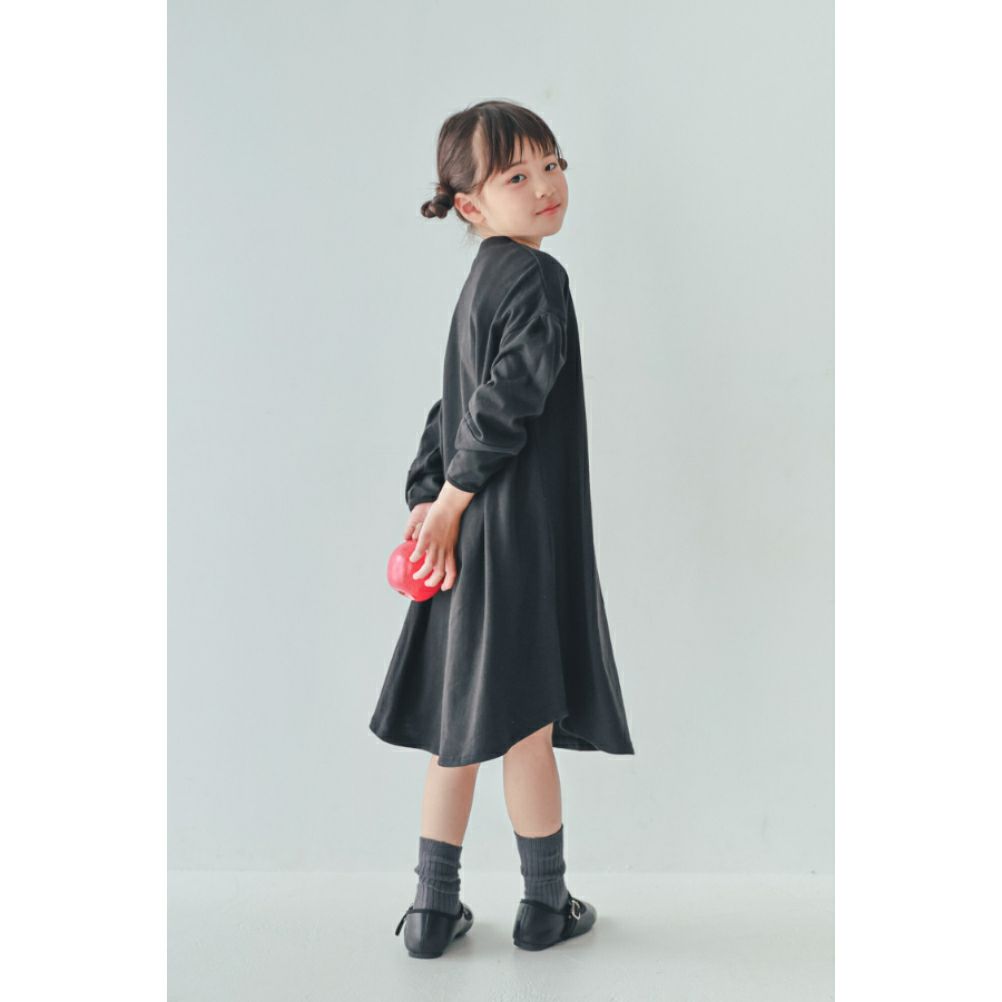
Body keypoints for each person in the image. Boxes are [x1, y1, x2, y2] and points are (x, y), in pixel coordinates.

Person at [369, 99, 636, 959]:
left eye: (553, 165)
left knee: (457, 731)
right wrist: (447, 501)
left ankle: (432, 910)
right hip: (513, 535)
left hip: (466, 534)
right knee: (525, 728)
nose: (546, 185)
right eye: (518, 175)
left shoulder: (485, 277)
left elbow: (450, 404)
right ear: (471, 204)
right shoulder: (538, 279)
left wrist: (430, 496)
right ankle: (544, 904)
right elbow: (501, 402)